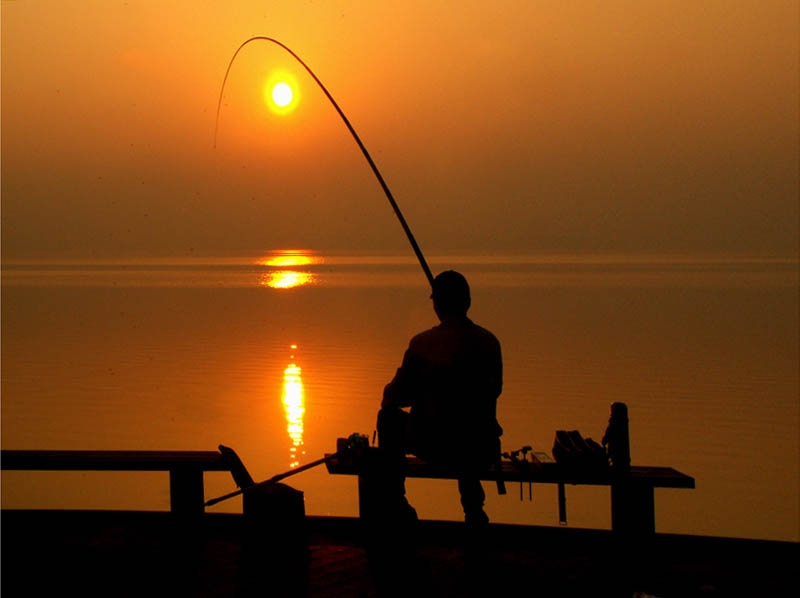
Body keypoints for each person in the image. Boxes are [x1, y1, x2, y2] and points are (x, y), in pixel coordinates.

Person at [377, 270, 503, 527]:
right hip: (481, 446)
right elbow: (494, 390)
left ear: (437, 304)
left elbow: (396, 397)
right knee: (468, 427)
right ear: (467, 302)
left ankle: (397, 501)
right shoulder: (490, 342)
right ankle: (474, 508)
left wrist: (392, 392)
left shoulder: (423, 343)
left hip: (435, 445)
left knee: (388, 418)